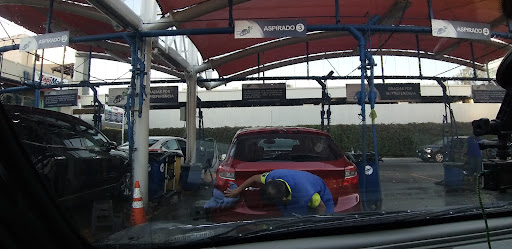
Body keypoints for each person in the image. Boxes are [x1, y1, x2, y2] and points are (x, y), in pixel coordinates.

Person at [224, 169, 334, 216]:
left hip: (321, 197)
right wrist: (236, 191)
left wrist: (314, 224)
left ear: (284, 199)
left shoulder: (309, 196)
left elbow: (321, 208)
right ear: (270, 181)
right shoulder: (272, 176)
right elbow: (253, 178)